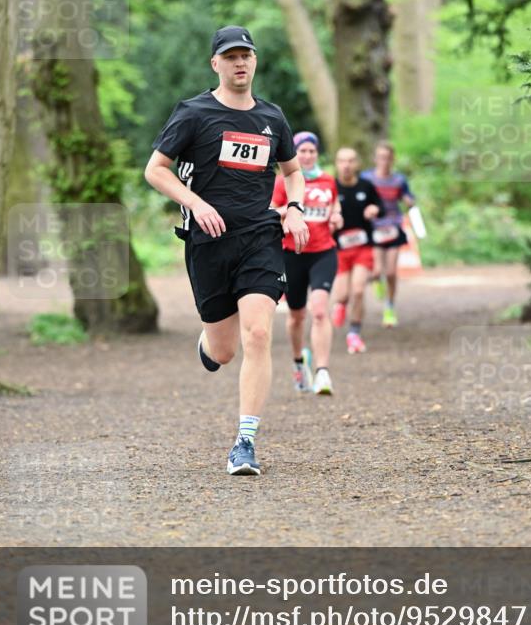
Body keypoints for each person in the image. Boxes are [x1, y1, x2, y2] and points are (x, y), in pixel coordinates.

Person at [144, 25, 309, 476]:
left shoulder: (273, 118)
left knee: (258, 333)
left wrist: (294, 208)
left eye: (247, 56)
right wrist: (194, 203)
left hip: (260, 237)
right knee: (224, 351)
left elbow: (293, 171)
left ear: (255, 62)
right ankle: (209, 343)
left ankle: (245, 442)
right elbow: (156, 170)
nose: (240, 63)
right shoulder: (194, 113)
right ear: (216, 63)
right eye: (231, 56)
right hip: (208, 243)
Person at [271, 131, 342, 395]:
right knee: (297, 316)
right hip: (292, 254)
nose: (308, 155)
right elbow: (270, 210)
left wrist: (337, 218)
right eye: (303, 151)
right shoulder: (284, 182)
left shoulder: (328, 181)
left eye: (312, 151)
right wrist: (290, 210)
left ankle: (323, 372)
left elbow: (335, 209)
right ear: (295, 154)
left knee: (321, 310)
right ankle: (299, 363)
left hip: (323, 252)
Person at [331, 147, 384, 353]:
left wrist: (374, 209)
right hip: (339, 248)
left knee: (359, 290)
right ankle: (341, 304)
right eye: (342, 161)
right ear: (336, 163)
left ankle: (354, 333)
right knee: (342, 294)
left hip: (363, 247)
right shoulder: (332, 187)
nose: (346, 165)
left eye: (351, 161)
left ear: (357, 164)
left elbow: (379, 206)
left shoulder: (367, 186)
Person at [362, 141, 416, 328]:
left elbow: (408, 198)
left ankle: (390, 307)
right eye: (380, 157)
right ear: (375, 159)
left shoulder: (399, 180)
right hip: (374, 227)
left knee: (391, 272)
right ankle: (378, 282)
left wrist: (410, 202)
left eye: (387, 157)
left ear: (392, 159)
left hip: (393, 226)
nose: (384, 161)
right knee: (377, 271)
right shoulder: (367, 178)